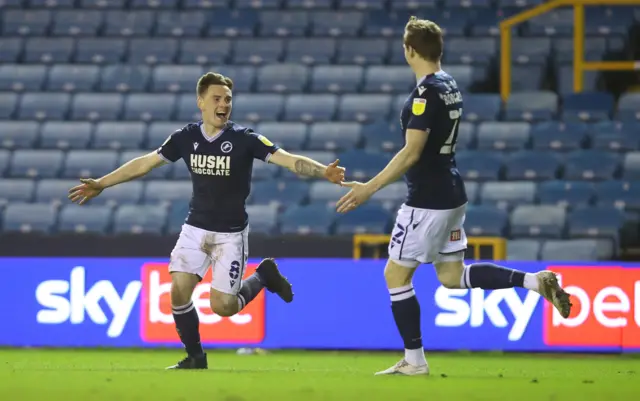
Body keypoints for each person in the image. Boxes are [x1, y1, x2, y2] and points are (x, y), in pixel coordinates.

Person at [335, 17, 572, 376]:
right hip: (451, 194)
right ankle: (533, 281)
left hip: (427, 200)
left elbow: (412, 152)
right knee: (450, 275)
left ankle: (414, 361)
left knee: (395, 277)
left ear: (410, 50)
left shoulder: (424, 94)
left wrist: (369, 186)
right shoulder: (449, 85)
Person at [68, 72, 345, 369]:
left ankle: (263, 276)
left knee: (223, 307)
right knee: (178, 291)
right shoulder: (185, 138)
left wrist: (322, 172)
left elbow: (289, 160)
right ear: (200, 102)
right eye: (216, 98)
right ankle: (195, 357)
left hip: (230, 235)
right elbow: (145, 163)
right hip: (195, 229)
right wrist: (102, 183)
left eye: (227, 99)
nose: (223, 104)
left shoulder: (245, 139)